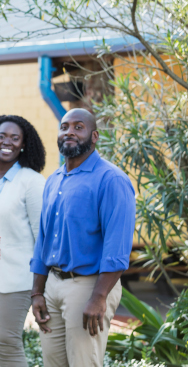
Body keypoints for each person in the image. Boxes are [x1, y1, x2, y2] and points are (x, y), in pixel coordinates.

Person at [30, 108, 135, 367]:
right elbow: (44, 240)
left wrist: (98, 298)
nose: (70, 132)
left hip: (88, 287)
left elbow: (117, 247)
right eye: (65, 126)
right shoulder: (54, 180)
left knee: (84, 363)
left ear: (94, 136)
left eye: (79, 127)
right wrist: (37, 293)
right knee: (53, 363)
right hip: (52, 285)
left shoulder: (111, 180)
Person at [0, 115, 47, 366]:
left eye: (15, 138)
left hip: (15, 277)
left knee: (6, 340)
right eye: (2, 136)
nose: (8, 142)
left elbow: (42, 236)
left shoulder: (32, 181)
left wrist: (40, 287)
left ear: (24, 144)